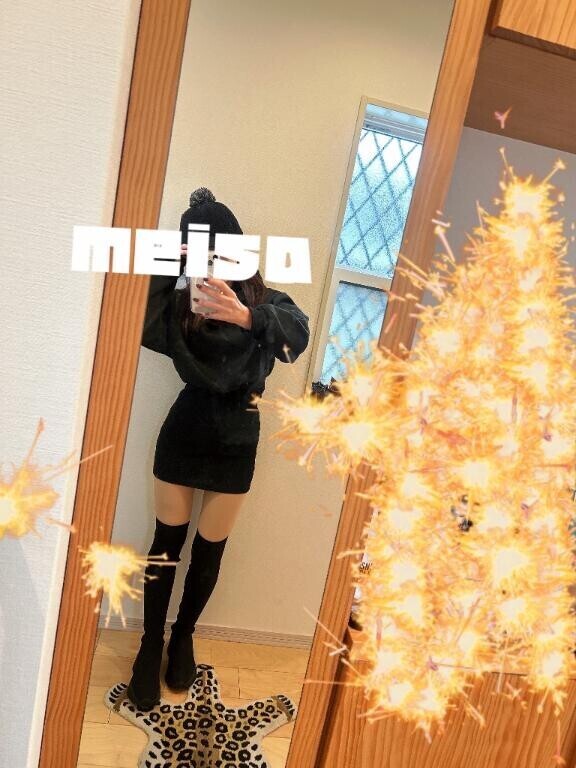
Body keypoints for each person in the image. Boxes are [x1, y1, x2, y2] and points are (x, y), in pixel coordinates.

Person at [126, 188, 310, 710]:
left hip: (238, 437)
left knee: (210, 550)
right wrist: (172, 257)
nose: (209, 262)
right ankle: (149, 645)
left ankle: (183, 636)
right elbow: (136, 316)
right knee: (166, 546)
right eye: (198, 252)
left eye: (218, 250)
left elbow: (297, 339)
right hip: (185, 429)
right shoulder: (180, 305)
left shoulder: (268, 303)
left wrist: (247, 317)